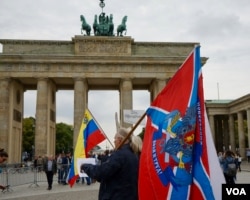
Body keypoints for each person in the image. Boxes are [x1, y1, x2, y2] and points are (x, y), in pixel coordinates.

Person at [81, 127, 142, 200]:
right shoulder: (134, 154)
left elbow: (101, 172)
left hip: (117, 196)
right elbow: (112, 174)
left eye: (115, 139)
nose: (114, 141)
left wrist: (85, 166)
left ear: (120, 140)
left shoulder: (119, 155)